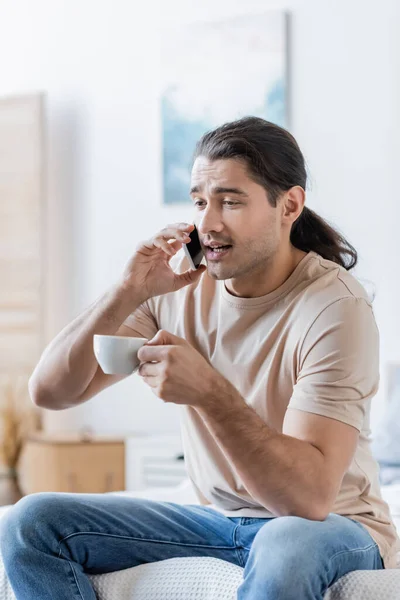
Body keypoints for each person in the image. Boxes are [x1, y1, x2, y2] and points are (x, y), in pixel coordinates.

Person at [1, 116, 399, 600]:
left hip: (331, 526)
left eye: (230, 201)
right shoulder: (178, 284)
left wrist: (209, 393)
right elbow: (51, 392)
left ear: (289, 205)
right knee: (30, 523)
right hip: (218, 521)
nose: (208, 222)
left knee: (284, 540)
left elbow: (308, 499)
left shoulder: (335, 307)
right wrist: (127, 291)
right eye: (199, 201)